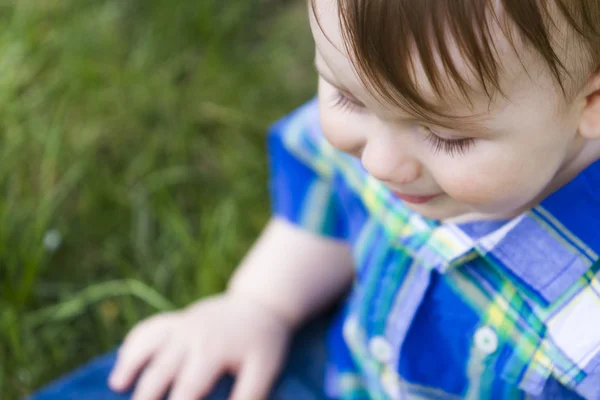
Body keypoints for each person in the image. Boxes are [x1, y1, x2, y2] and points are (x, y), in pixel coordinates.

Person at [33, 0, 600, 399]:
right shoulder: (406, 114)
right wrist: (256, 307)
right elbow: (327, 202)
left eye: (446, 136)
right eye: (349, 100)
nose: (378, 162)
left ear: (591, 101)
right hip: (340, 371)